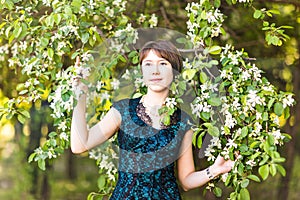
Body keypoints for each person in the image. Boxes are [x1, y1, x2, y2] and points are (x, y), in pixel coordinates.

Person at [71, 40, 234, 199]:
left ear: (174, 71)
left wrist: (214, 170)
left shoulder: (184, 122)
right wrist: (81, 94)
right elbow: (80, 145)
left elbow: (186, 180)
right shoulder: (122, 111)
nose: (155, 71)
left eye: (163, 64)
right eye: (148, 64)